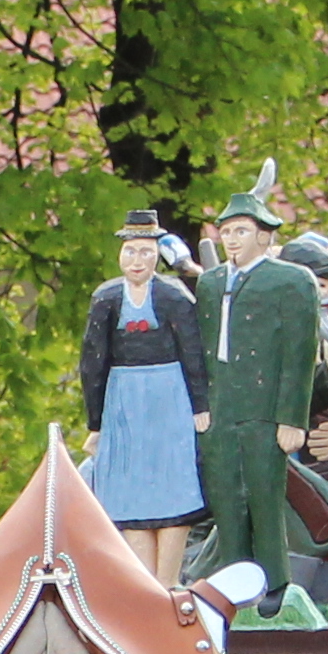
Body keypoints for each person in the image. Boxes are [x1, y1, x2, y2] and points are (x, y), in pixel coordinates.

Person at [191, 172, 328, 592]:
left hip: (265, 410)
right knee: (226, 503)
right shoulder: (211, 283)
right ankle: (234, 586)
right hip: (221, 408)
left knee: (265, 500)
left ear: (264, 236)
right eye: (227, 231)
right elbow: (200, 350)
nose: (232, 240)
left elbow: (299, 355)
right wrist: (201, 406)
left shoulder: (290, 281)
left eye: (241, 231)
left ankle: (274, 587)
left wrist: (292, 418)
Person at [76, 217, 207, 581]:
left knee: (173, 479)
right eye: (131, 251)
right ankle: (144, 581)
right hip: (124, 399)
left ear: (157, 257)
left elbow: (193, 352)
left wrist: (200, 406)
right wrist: (96, 422)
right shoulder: (106, 298)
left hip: (170, 395)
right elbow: (93, 361)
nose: (137, 261)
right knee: (130, 484)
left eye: (146, 253)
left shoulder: (173, 296)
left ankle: (168, 579)